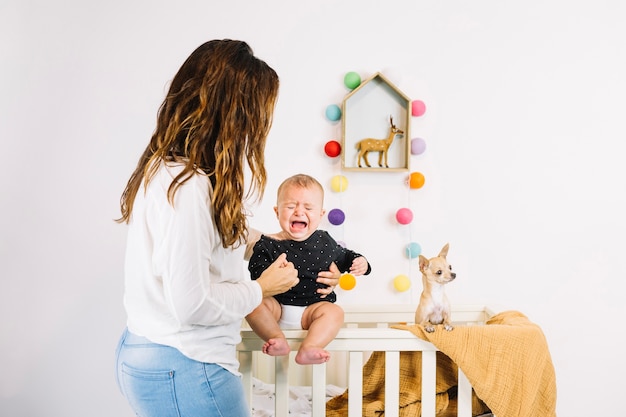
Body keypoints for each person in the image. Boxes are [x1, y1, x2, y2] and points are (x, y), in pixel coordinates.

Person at [114, 40, 340, 417]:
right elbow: (192, 304)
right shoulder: (188, 187)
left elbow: (215, 243)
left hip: (155, 353)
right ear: (233, 115)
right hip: (186, 364)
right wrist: (260, 289)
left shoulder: (166, 171)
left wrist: (292, 249)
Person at [246, 174, 371, 365]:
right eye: (290, 206)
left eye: (308, 207)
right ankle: (276, 337)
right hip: (276, 308)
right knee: (251, 302)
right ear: (277, 211)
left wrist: (360, 261)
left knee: (334, 312)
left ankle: (310, 346)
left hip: (311, 311)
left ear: (320, 215)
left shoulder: (324, 241)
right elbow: (257, 274)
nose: (298, 212)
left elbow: (344, 256)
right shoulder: (267, 244)